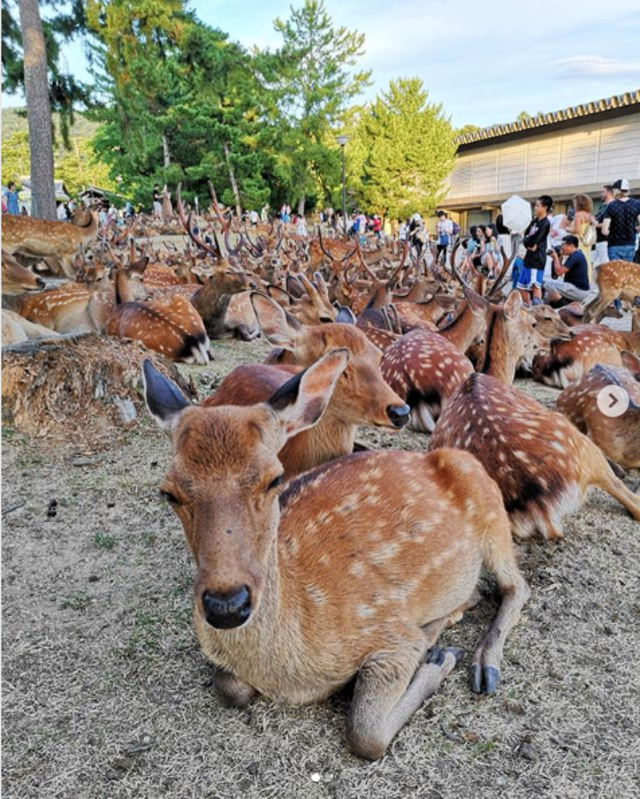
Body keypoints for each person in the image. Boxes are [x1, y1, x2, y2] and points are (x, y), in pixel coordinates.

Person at [518, 195, 553, 305]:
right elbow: (526, 239)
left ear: (545, 207)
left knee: (535, 287)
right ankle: (528, 309)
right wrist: (527, 242)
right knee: (521, 287)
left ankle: (538, 311)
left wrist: (529, 242)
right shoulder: (534, 221)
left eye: (538, 206)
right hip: (528, 258)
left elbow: (533, 242)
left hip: (537, 260)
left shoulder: (545, 223)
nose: (535, 208)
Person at [544, 235, 590, 306]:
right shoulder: (578, 254)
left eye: (563, 245)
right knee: (549, 293)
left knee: (548, 285)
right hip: (577, 289)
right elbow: (555, 276)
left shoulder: (575, 256)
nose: (561, 247)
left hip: (578, 290)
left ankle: (565, 306)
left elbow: (559, 272)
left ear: (571, 246)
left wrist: (555, 257)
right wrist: (559, 258)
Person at [602, 179, 640, 264]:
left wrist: (613, 233)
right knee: (627, 273)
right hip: (630, 244)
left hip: (614, 245)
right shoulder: (637, 204)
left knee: (616, 274)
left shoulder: (611, 206)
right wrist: (634, 230)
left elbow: (604, 231)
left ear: (617, 191)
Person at [564, 194, 595, 278]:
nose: (573, 205)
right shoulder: (589, 215)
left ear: (579, 203)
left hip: (577, 240)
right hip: (586, 240)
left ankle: (577, 277)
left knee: (576, 259)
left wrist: (567, 229)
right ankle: (587, 277)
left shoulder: (578, 214)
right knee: (586, 258)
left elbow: (576, 230)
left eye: (574, 203)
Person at [593, 184, 615, 268]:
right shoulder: (602, 206)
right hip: (597, 240)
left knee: (605, 265)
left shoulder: (613, 205)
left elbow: (612, 224)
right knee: (591, 262)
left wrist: (596, 224)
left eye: (602, 192)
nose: (600, 194)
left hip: (605, 241)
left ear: (609, 193)